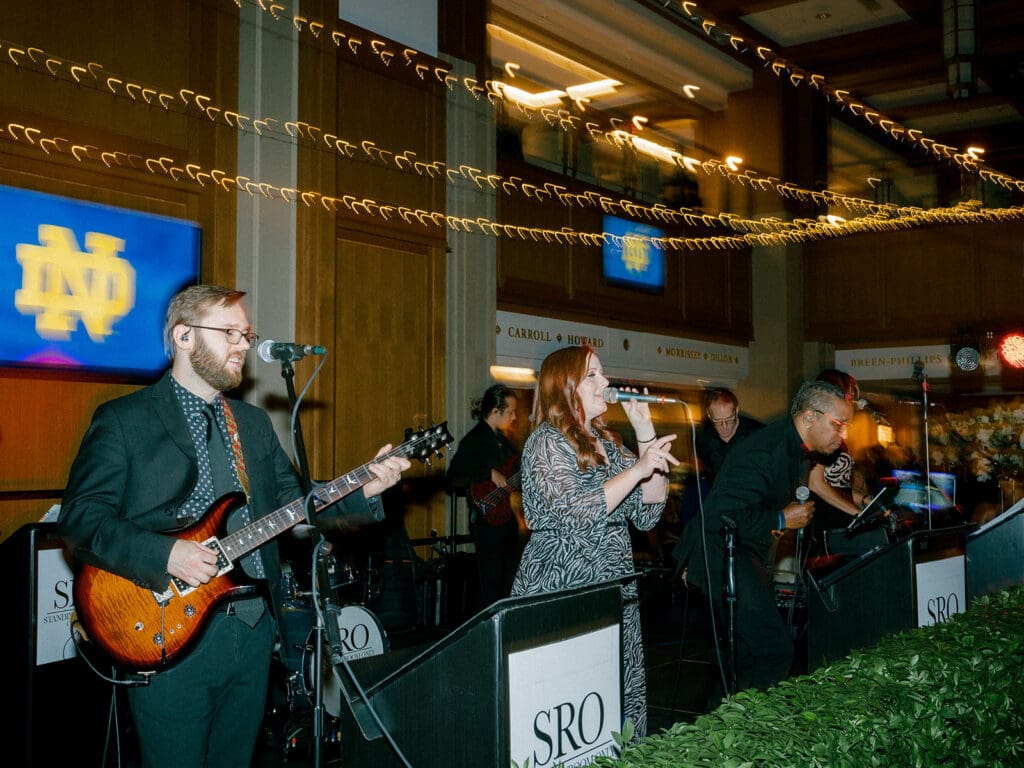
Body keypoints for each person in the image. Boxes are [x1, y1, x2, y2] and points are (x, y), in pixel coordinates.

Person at [57, 285, 410, 768]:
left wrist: (362, 491)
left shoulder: (252, 424)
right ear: (184, 336)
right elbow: (81, 519)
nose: (244, 344)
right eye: (230, 333)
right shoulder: (124, 419)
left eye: (246, 334)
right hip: (164, 627)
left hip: (251, 628)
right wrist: (166, 555)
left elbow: (296, 508)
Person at [510, 345, 678, 739]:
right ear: (565, 388)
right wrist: (637, 468)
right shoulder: (546, 442)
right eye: (593, 376)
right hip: (563, 583)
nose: (606, 383)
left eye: (603, 374)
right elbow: (574, 513)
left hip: (612, 580)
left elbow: (649, 510)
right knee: (564, 701)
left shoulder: (607, 440)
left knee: (615, 690)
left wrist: (643, 433)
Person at [674, 379, 851, 695]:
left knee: (746, 658)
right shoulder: (764, 450)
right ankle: (748, 732)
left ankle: (727, 733)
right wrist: (782, 518)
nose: (842, 434)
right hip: (720, 554)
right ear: (810, 417)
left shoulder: (793, 448)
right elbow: (719, 517)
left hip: (746, 555)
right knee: (773, 649)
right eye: (837, 424)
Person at [446, 383, 523, 607]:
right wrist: (488, 472)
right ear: (495, 411)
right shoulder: (474, 440)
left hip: (506, 520)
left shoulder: (504, 442)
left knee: (507, 581)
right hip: (487, 521)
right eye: (511, 411)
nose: (515, 416)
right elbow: (454, 478)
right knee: (491, 584)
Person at [806, 369, 871, 558]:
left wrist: (865, 500)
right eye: (849, 394)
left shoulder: (836, 432)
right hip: (825, 522)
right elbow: (816, 483)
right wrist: (857, 513)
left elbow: (838, 485)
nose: (851, 399)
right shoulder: (818, 430)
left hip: (839, 517)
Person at [694, 388, 764, 483]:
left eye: (729, 420)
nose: (724, 426)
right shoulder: (703, 437)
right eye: (718, 421)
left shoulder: (758, 434)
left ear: (736, 411)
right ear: (709, 415)